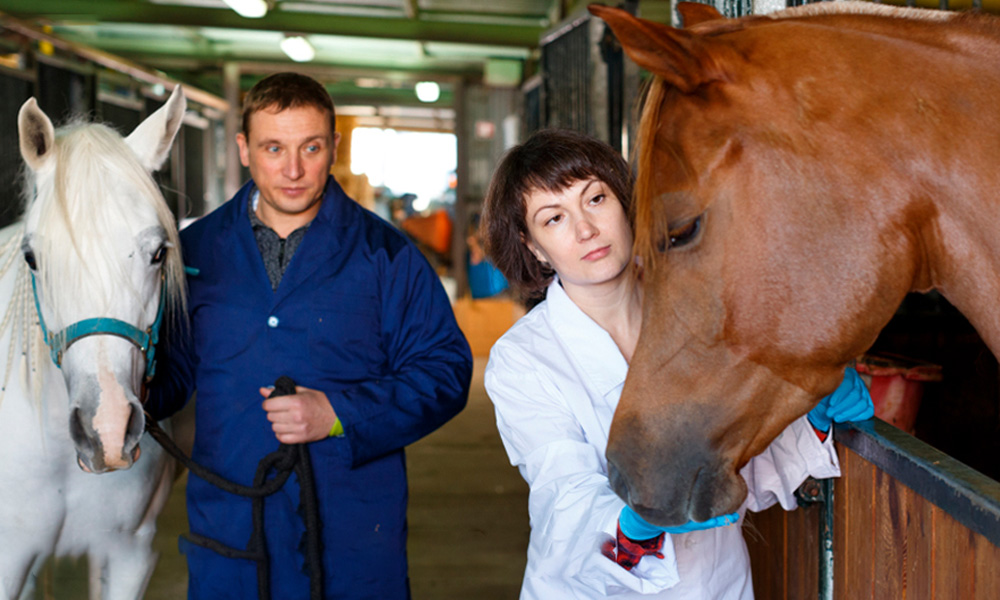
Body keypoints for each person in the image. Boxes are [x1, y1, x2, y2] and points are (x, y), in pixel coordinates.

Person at [480, 128, 873, 599]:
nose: (585, 229)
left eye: (596, 199)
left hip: (717, 584)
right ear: (534, 247)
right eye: (554, 219)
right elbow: (562, 491)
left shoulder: (698, 317)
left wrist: (810, 421)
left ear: (626, 204)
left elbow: (741, 466)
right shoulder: (523, 359)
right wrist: (629, 524)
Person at [147, 72, 472, 599]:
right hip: (232, 528)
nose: (293, 169)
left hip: (351, 534)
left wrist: (340, 413)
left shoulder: (387, 256)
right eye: (274, 147)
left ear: (334, 147)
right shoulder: (194, 253)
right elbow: (175, 372)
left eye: (311, 147)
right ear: (245, 150)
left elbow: (445, 373)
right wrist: (129, 387)